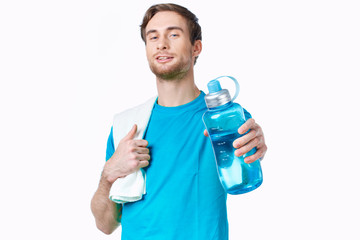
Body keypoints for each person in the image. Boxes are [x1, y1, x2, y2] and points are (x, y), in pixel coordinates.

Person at [91, 3, 267, 239]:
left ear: (196, 47)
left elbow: (246, 168)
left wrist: (256, 147)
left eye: (173, 34)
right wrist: (109, 173)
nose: (162, 43)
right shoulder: (127, 126)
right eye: (153, 37)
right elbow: (105, 224)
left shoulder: (223, 119)